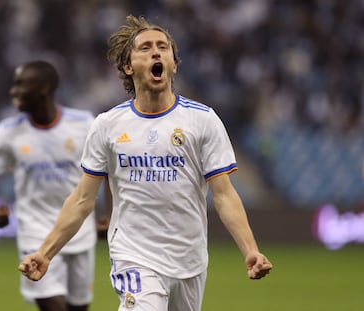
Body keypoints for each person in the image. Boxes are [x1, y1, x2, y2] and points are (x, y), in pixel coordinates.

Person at [19, 16, 273, 311]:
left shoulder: (202, 120)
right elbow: (82, 200)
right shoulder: (108, 125)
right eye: (145, 48)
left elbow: (224, 194)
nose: (156, 52)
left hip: (190, 259)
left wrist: (250, 250)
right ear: (128, 66)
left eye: (163, 47)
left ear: (173, 64)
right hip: (134, 255)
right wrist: (46, 253)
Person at [0, 60, 100, 311]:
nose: (13, 91)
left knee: (78, 307)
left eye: (20, 84)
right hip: (35, 232)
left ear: (43, 88)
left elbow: (108, 170)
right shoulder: (8, 132)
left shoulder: (84, 123)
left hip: (80, 233)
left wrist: (109, 213)